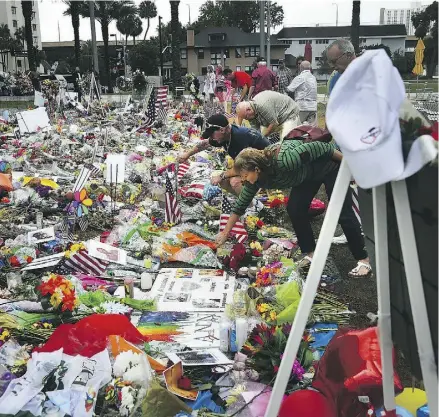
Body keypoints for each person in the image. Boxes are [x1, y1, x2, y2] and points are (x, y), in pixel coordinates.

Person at [215, 142, 372, 278]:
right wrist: (224, 233)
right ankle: (310, 254)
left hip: (328, 166)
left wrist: (351, 166)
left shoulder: (285, 159)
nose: (243, 179)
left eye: (244, 175)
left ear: (256, 169)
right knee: (295, 209)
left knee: (341, 211)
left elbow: (323, 148)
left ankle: (363, 260)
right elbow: (240, 206)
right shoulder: (254, 180)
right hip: (306, 174)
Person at [177, 114, 269, 196]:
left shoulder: (239, 138)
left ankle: (253, 207)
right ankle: (244, 199)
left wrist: (221, 176)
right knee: (223, 181)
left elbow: (242, 168)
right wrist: (187, 154)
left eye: (212, 135)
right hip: (253, 167)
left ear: (222, 130)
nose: (211, 138)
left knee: (234, 182)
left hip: (266, 170)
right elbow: (205, 144)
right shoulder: (224, 135)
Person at [236, 90, 300, 140]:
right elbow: (255, 131)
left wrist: (263, 137)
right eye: (245, 118)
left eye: (246, 117)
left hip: (289, 113)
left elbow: (274, 123)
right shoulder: (250, 112)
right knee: (264, 137)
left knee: (286, 140)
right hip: (275, 117)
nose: (246, 119)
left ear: (248, 109)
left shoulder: (262, 105)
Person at [287, 60, 317, 125]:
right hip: (313, 107)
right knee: (310, 129)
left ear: (301, 68)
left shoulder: (300, 77)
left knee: (299, 128)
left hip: (302, 107)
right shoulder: (313, 78)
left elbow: (289, 90)